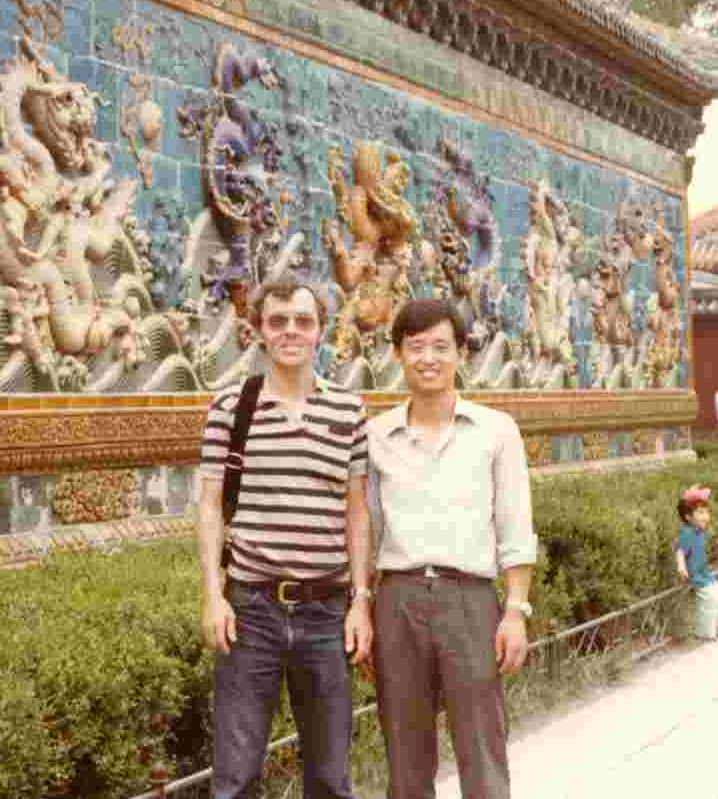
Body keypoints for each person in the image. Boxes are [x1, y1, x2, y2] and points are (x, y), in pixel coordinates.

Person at [197, 277, 374, 799]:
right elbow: (209, 507)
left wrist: (361, 600)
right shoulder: (231, 407)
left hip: (326, 611)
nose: (290, 331)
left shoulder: (348, 410)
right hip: (251, 609)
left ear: (320, 331)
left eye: (303, 321)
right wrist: (213, 596)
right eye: (278, 321)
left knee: (329, 778)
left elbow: (357, 512)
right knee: (236, 776)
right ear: (257, 331)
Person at [365, 299, 537, 799]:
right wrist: (364, 604)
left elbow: (515, 525)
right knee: (405, 752)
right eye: (415, 347)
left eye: (441, 346)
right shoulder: (376, 436)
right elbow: (367, 532)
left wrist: (515, 612)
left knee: (482, 747)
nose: (428, 359)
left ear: (461, 353)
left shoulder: (495, 431)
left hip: (471, 600)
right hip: (398, 600)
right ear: (397, 354)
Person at [675, 484, 718, 640]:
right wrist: (681, 567)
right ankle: (704, 632)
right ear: (688, 517)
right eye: (700, 512)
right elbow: (679, 551)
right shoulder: (687, 533)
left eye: (706, 512)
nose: (706, 516)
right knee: (711, 597)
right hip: (695, 576)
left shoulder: (700, 531)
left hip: (704, 573)